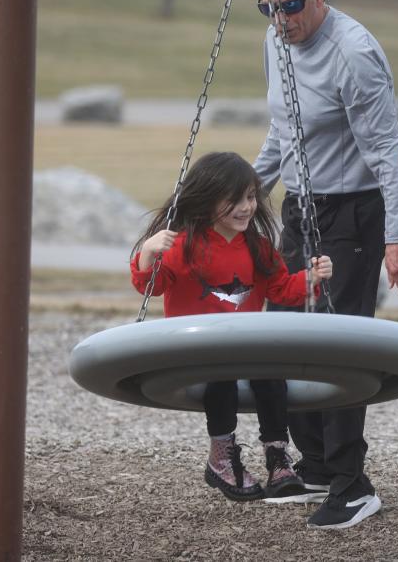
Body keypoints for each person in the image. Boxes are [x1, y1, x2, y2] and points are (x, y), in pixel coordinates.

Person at [252, 0, 398, 529]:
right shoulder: (276, 43)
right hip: (301, 208)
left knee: (338, 345)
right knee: (280, 330)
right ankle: (318, 464)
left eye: (292, 5)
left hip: (353, 214)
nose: (281, 19)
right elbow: (282, 133)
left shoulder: (354, 53)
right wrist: (242, 198)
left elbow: (385, 149)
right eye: (269, 8)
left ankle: (354, 484)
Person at [130, 151, 333, 503]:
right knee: (220, 374)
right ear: (207, 200)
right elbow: (153, 285)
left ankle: (277, 458)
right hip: (193, 349)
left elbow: (281, 288)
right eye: (234, 200)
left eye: (251, 197)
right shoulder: (183, 246)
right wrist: (148, 252)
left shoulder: (258, 248)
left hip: (243, 347)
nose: (246, 207)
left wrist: (310, 278)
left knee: (272, 375)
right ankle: (221, 457)